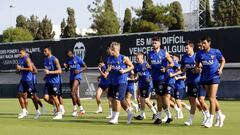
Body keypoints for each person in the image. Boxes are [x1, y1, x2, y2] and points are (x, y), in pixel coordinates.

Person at [195, 36, 226, 128]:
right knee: (212, 98)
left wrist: (220, 69)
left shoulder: (216, 51)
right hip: (205, 78)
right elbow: (197, 65)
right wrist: (197, 69)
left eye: (204, 43)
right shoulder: (199, 54)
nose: (203, 45)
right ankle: (220, 115)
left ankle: (210, 120)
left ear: (209, 43)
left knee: (212, 98)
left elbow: (223, 60)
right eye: (202, 43)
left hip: (214, 77)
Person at [147, 37, 174, 124]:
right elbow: (148, 64)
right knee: (160, 98)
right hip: (155, 79)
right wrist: (148, 67)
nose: (153, 44)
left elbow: (172, 63)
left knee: (161, 98)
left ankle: (159, 117)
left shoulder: (164, 53)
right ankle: (169, 116)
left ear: (159, 44)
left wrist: (166, 68)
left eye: (155, 43)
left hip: (163, 79)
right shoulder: (150, 54)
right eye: (153, 43)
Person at [106, 42, 134, 124]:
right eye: (111, 49)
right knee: (120, 101)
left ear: (117, 49)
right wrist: (108, 70)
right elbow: (109, 68)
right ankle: (129, 112)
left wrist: (124, 71)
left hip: (122, 81)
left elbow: (132, 66)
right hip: (113, 82)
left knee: (116, 99)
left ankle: (115, 119)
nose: (111, 50)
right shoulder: (109, 58)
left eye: (113, 49)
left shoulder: (124, 58)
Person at [181, 40, 201, 126]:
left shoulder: (197, 56)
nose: (186, 49)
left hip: (197, 81)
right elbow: (182, 69)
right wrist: (184, 70)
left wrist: (196, 70)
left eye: (187, 48)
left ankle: (190, 120)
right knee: (192, 101)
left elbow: (201, 69)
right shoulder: (184, 57)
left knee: (194, 100)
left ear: (192, 47)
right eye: (185, 48)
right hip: (188, 82)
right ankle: (205, 113)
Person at [64, 50, 87, 117]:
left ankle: (74, 110)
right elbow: (67, 70)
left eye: (70, 55)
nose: (69, 56)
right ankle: (82, 109)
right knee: (75, 94)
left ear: (72, 54)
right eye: (68, 56)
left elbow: (85, 66)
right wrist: (66, 67)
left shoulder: (78, 58)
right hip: (71, 77)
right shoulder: (67, 60)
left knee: (72, 92)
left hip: (77, 77)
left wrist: (79, 70)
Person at [134, 52, 157, 120]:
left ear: (142, 58)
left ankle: (143, 115)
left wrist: (149, 79)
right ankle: (153, 113)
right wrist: (136, 78)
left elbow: (152, 73)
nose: (136, 59)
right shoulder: (136, 65)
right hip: (141, 85)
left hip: (148, 85)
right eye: (136, 58)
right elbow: (137, 74)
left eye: (138, 58)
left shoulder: (146, 65)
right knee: (143, 100)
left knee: (145, 99)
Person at [43, 47, 63, 120]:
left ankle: (59, 114)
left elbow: (60, 71)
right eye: (43, 51)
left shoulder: (55, 59)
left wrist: (49, 72)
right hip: (48, 81)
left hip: (55, 82)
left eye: (45, 51)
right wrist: (45, 76)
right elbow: (47, 70)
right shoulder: (45, 60)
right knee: (45, 98)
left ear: (49, 51)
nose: (44, 52)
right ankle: (56, 107)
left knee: (55, 97)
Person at [16, 48, 33, 119]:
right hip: (23, 80)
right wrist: (18, 69)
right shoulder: (20, 59)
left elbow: (31, 69)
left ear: (24, 52)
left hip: (28, 80)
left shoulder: (27, 59)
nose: (19, 54)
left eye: (21, 53)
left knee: (33, 97)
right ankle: (24, 111)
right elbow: (19, 69)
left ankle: (39, 108)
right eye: (19, 53)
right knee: (19, 95)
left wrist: (21, 68)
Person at [29, 53, 46, 119]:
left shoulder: (31, 63)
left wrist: (29, 71)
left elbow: (36, 71)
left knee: (33, 96)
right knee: (33, 96)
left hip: (32, 82)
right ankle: (41, 107)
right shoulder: (24, 63)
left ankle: (37, 111)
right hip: (27, 82)